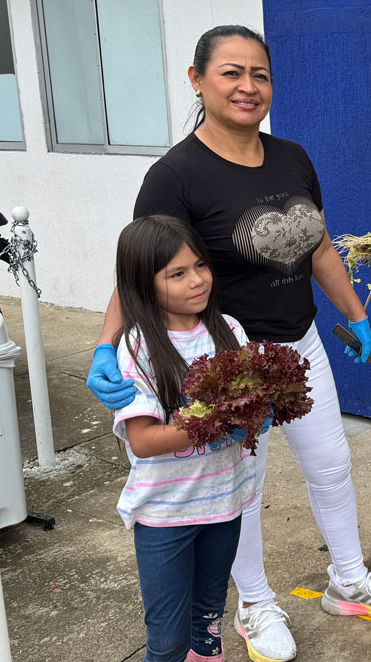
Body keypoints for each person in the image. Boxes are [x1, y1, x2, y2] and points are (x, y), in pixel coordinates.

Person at [86, 25, 371, 662]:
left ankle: (348, 580)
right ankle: (255, 604)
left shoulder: (293, 157)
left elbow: (318, 245)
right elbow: (140, 269)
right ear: (197, 80)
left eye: (259, 75)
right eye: (231, 73)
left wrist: (357, 315)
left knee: (332, 465)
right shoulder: (175, 176)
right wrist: (107, 345)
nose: (248, 87)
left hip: (300, 346)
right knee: (240, 488)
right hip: (226, 364)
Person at [109, 215, 259, 662]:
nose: (197, 280)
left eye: (201, 265)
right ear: (144, 283)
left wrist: (258, 414)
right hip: (165, 515)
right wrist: (215, 419)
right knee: (168, 641)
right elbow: (143, 440)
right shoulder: (137, 346)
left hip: (224, 503)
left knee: (209, 621)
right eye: (177, 273)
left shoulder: (230, 330)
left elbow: (252, 403)